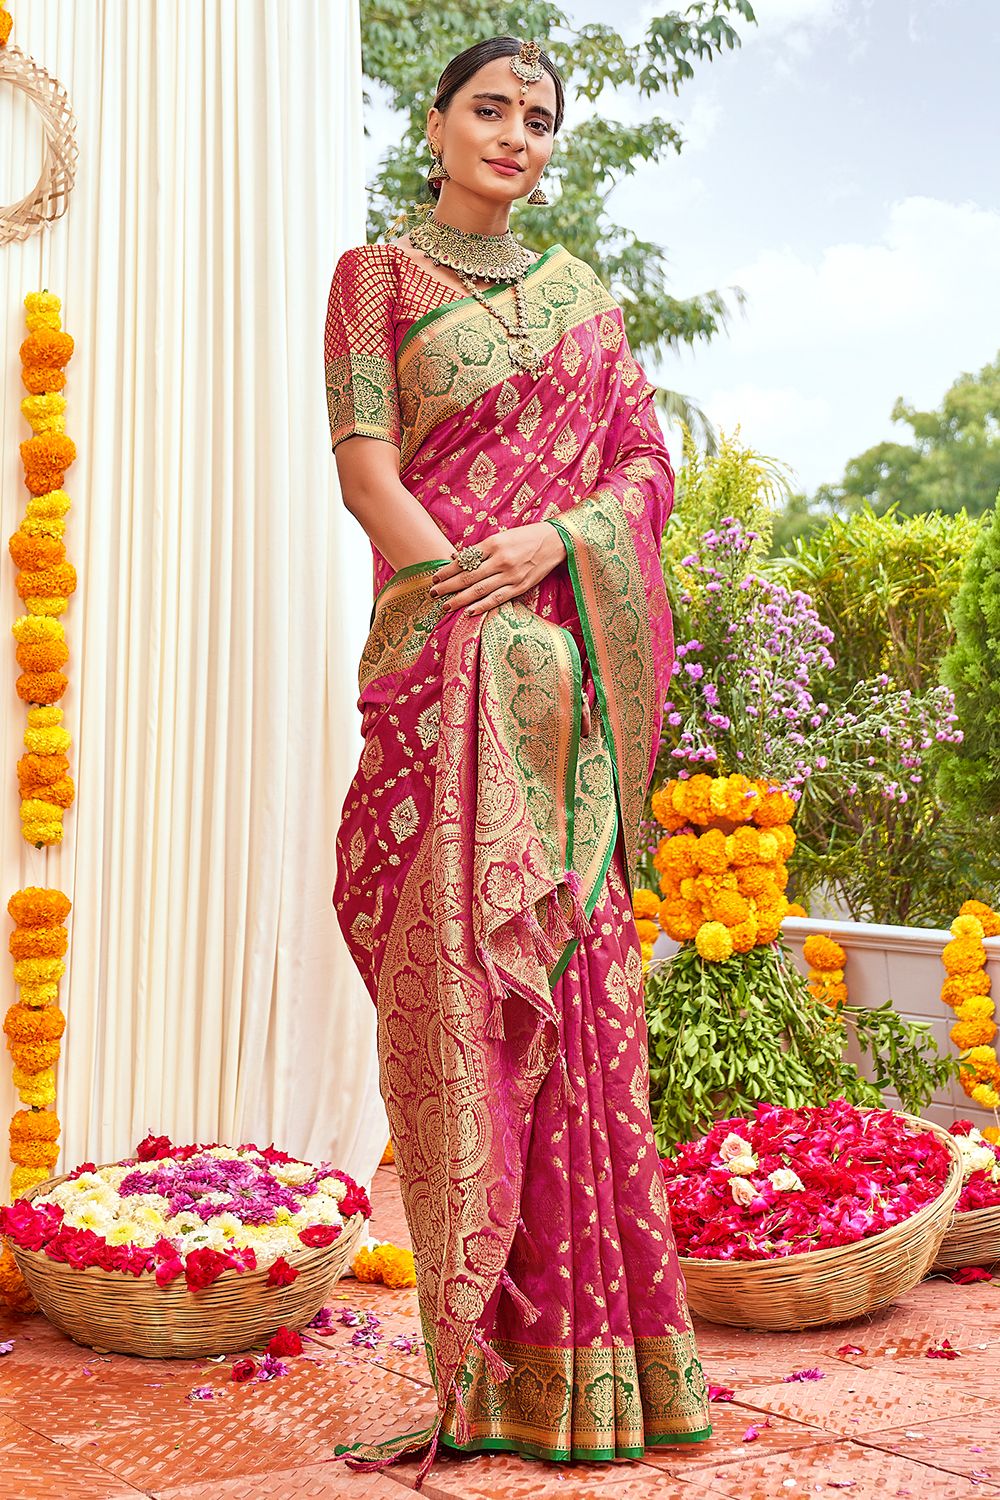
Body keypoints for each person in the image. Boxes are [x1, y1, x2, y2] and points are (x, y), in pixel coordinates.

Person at [326, 35, 711, 1487]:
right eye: (491, 109)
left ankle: (589, 1380)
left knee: (578, 994)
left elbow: (642, 473)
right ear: (436, 125)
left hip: (568, 722)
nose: (516, 135)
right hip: (446, 676)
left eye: (539, 120)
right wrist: (478, 608)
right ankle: (481, 1372)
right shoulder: (374, 281)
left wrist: (550, 548)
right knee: (465, 1005)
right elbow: (369, 473)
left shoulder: (586, 306)